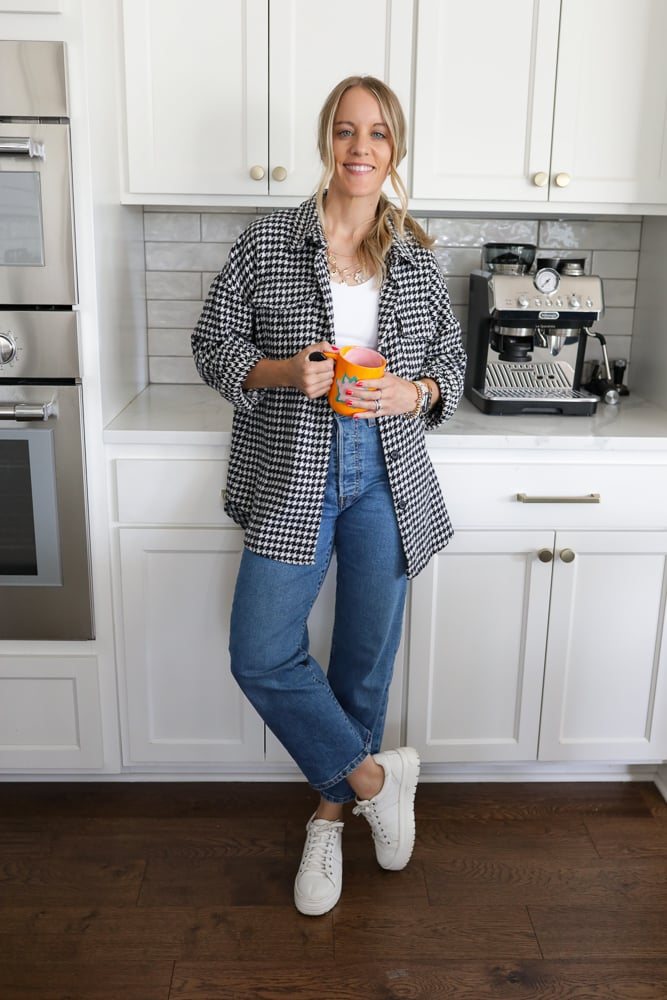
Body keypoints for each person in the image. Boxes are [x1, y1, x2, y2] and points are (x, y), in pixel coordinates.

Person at [192, 75, 466, 916]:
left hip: (387, 472)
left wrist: (411, 393)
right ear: (325, 142)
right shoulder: (266, 242)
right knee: (261, 650)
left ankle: (329, 814)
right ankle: (378, 778)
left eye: (377, 135)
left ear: (394, 150)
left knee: (362, 661)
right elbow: (211, 344)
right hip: (292, 470)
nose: (359, 148)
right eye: (345, 132)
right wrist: (282, 372)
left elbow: (448, 370)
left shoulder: (416, 255)